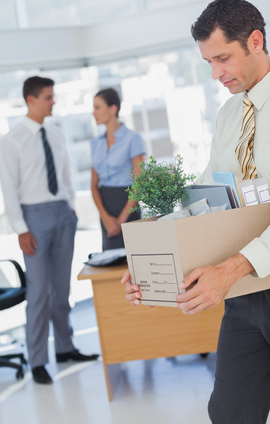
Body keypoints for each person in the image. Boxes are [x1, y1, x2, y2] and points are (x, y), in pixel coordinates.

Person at [121, 0, 270, 422]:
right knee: (230, 412)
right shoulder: (229, 114)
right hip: (246, 294)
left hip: (242, 272)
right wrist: (155, 265)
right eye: (207, 61)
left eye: (222, 58)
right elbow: (204, 201)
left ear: (255, 41)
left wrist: (234, 267)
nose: (215, 74)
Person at [0, 76, 99, 385]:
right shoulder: (11, 140)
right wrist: (21, 229)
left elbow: (66, 174)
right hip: (34, 218)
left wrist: (69, 207)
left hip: (61, 214)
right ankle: (38, 359)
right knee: (40, 292)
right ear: (31, 100)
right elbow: (9, 189)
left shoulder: (56, 133)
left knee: (61, 289)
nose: (53, 102)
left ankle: (66, 347)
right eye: (47, 97)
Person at [91, 88, 146, 250]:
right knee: (110, 263)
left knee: (135, 258)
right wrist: (105, 218)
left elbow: (140, 182)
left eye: (97, 107)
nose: (94, 113)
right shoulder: (95, 144)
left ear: (113, 109)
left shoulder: (133, 139)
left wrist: (121, 221)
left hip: (128, 206)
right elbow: (93, 185)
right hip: (105, 207)